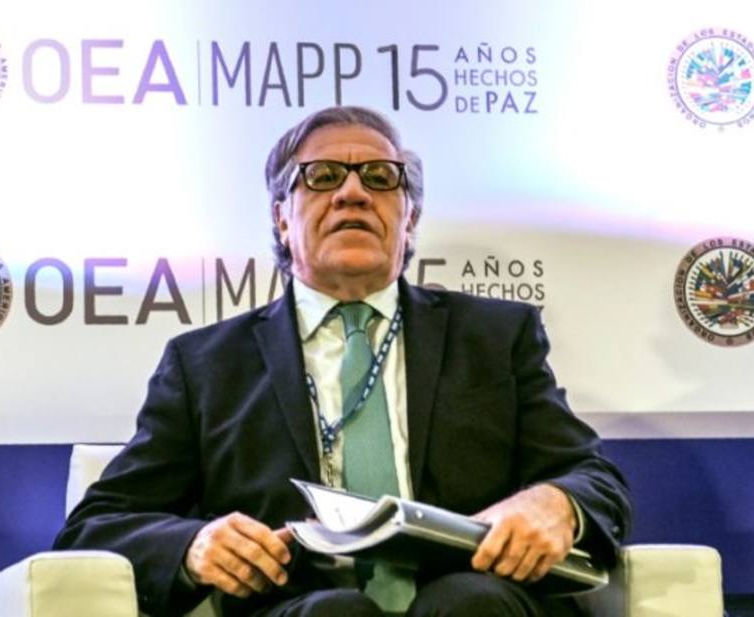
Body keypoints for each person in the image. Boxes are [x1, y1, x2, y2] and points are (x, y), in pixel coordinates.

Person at [54, 106, 632, 617]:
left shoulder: (496, 337)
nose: (353, 193)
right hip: (302, 605)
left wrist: (559, 503)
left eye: (380, 178)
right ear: (282, 217)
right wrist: (193, 545)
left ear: (409, 219)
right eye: (323, 176)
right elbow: (99, 523)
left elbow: (593, 478)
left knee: (467, 603)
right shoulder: (205, 365)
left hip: (477, 600)